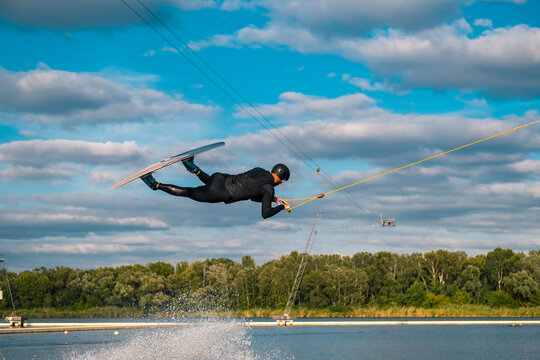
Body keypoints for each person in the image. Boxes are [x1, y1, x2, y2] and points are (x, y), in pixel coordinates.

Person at [141, 158, 291, 219]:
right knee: (187, 192)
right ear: (282, 179)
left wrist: (274, 199)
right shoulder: (269, 188)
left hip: (220, 178)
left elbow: (252, 193)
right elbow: (265, 214)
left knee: (208, 182)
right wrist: (282, 207)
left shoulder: (260, 170)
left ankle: (191, 166)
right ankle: (154, 184)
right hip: (220, 193)